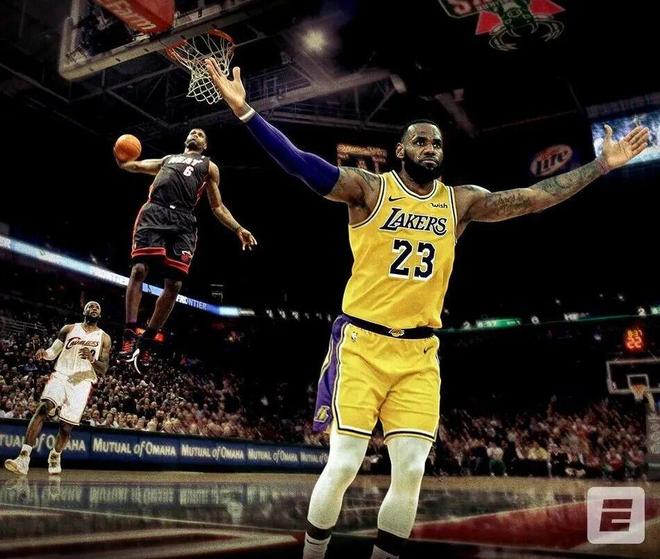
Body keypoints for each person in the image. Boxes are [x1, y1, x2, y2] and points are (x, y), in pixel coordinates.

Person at [205, 60, 649, 559]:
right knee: (345, 463)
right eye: (420, 142)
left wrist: (601, 166)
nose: (430, 148)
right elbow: (300, 163)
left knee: (412, 470)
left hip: (419, 355)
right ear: (401, 151)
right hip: (362, 344)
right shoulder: (369, 189)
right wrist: (246, 112)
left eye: (437, 143)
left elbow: (531, 198)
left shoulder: (460, 202)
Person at [116, 128, 257, 372]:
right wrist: (122, 160)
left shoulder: (209, 166)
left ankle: (147, 340)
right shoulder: (168, 159)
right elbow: (136, 166)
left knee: (175, 284)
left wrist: (238, 228)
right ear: (186, 139)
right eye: (192, 132)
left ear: (205, 145)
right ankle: (129, 333)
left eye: (200, 134)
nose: (195, 134)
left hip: (183, 221)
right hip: (155, 211)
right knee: (139, 270)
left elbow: (218, 206)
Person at [4, 302, 111, 476]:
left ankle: (55, 454)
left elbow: (104, 368)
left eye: (97, 308)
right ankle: (23, 458)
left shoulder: (104, 338)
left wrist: (92, 360)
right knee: (43, 408)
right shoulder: (69, 329)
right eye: (90, 306)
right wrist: (44, 353)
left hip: (82, 382)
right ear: (84, 311)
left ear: (100, 314)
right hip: (61, 374)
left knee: (66, 427)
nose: (94, 308)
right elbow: (53, 351)